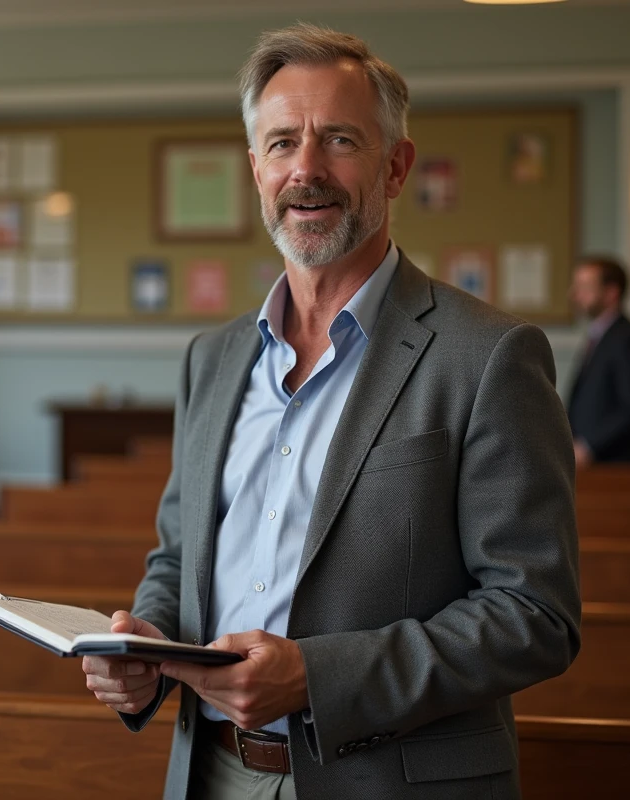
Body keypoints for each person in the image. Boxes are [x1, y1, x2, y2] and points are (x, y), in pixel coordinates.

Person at [81, 24, 580, 800]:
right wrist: (148, 642)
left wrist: (318, 677)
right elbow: (179, 560)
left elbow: (534, 614)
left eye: (339, 140)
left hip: (389, 782)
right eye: (282, 143)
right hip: (209, 771)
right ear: (256, 170)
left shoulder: (489, 355)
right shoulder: (210, 360)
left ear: (396, 167)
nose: (306, 169)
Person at [566, 256, 630, 467]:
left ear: (611, 292)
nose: (574, 294)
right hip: (592, 464)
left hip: (615, 467)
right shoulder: (600, 335)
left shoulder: (629, 339)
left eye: (584, 287)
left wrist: (588, 446)